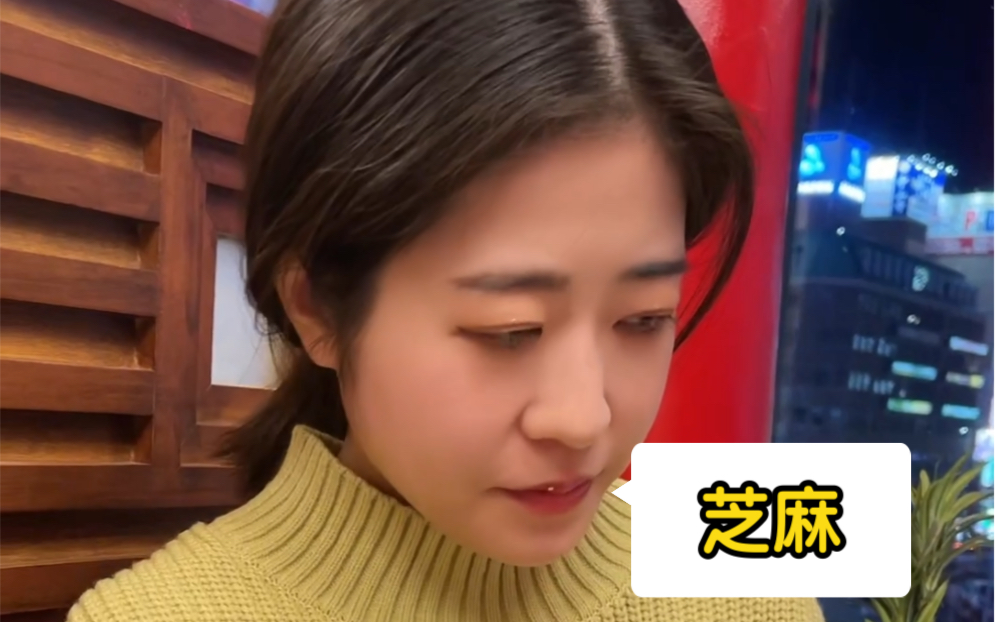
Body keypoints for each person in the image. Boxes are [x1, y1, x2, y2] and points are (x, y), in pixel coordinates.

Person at [69, 0, 824, 620]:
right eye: (510, 331)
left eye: (644, 318)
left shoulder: (747, 593)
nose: (583, 418)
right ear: (316, 308)